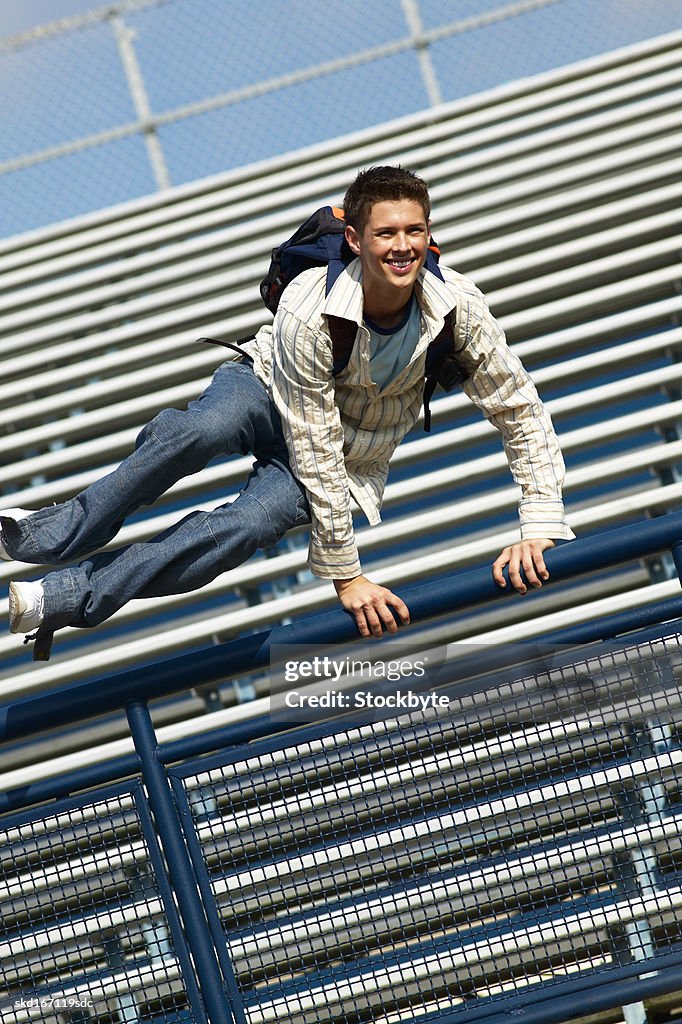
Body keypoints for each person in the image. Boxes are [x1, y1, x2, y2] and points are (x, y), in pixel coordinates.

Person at [2, 166, 573, 659]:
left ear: (430, 233)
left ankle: (67, 596)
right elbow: (312, 435)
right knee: (203, 429)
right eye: (386, 232)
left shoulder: (458, 308)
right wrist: (346, 576)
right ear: (353, 239)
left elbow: (519, 410)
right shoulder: (311, 306)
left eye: (415, 230)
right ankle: (42, 534)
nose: (403, 246)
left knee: (247, 526)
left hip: (348, 455)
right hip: (271, 392)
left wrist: (540, 526)